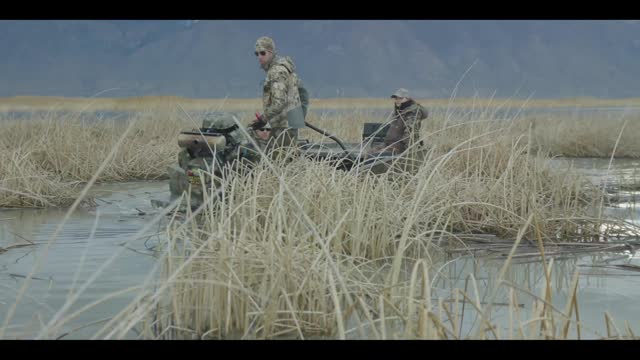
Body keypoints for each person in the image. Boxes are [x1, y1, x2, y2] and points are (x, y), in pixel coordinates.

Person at [251, 36, 308, 160]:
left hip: (284, 126)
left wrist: (263, 118)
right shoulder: (280, 68)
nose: (259, 57)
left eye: (262, 53)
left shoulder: (277, 71)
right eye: (256, 54)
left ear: (270, 53)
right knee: (285, 159)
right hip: (288, 123)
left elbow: (279, 102)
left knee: (282, 162)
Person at [378, 88, 428, 155]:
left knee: (379, 154)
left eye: (400, 98)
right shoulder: (398, 111)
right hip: (389, 144)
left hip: (400, 147)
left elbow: (410, 135)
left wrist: (408, 153)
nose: (397, 100)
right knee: (369, 153)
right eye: (396, 98)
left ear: (407, 99)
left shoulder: (412, 112)